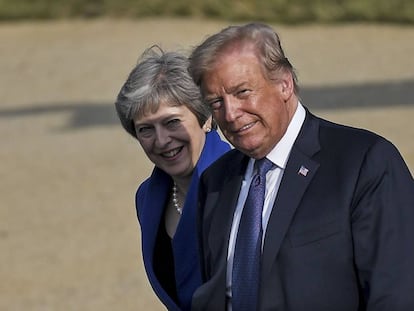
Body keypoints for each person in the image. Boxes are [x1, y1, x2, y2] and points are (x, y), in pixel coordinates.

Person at [188, 22, 414, 310]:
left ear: (284, 84)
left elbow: (397, 295)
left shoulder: (365, 162)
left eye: (243, 92)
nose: (230, 114)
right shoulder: (217, 181)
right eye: (216, 102)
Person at [114, 45, 230, 311]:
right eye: (145, 129)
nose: (162, 140)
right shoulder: (148, 197)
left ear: (207, 118)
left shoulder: (243, 183)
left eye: (171, 122)